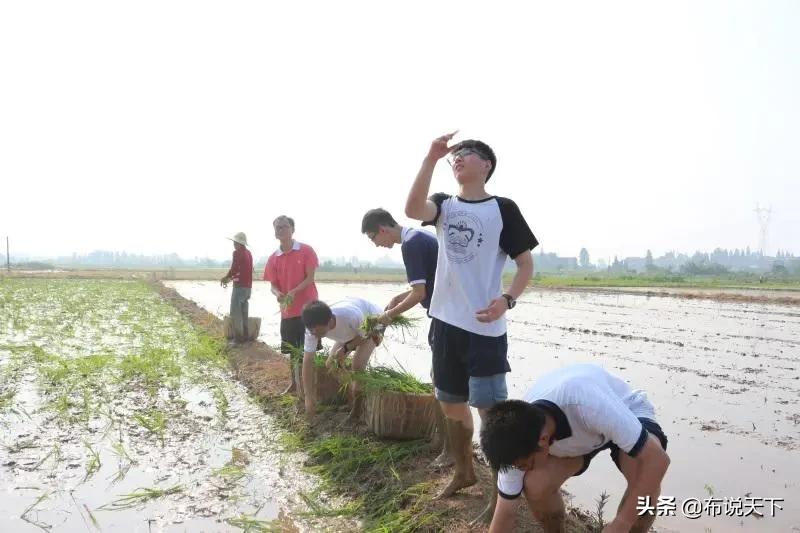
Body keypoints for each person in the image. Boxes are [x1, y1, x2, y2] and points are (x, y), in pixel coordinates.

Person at [404, 132, 538, 521]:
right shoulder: (444, 206)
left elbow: (525, 264)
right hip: (445, 323)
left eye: (468, 154)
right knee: (450, 402)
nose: (459, 158)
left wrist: (507, 299)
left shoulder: (503, 209)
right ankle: (464, 471)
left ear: (486, 166)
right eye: (456, 155)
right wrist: (430, 158)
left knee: (491, 412)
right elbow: (413, 209)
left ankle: (503, 490)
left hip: (484, 329)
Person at [480, 364, 670, 533]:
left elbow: (658, 461)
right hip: (583, 436)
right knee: (537, 484)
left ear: (543, 441)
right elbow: (505, 512)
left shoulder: (589, 404)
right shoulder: (514, 438)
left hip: (627, 412)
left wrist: (621, 523)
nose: (523, 469)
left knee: (646, 483)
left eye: (525, 465)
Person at [361, 207, 452, 468]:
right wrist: (398, 299)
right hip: (446, 312)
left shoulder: (410, 244)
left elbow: (420, 293)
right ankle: (442, 441)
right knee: (442, 382)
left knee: (442, 384)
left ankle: (446, 446)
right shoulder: (419, 237)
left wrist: (387, 315)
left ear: (382, 229)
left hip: (445, 316)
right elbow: (420, 287)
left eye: (373, 238)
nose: (377, 245)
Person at [263, 215, 320, 394]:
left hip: (308, 309)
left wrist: (294, 291)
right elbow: (272, 285)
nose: (280, 230)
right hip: (287, 311)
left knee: (309, 349)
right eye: (277, 227)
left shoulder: (306, 251)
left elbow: (310, 278)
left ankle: (311, 386)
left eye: (284, 227)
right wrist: (278, 293)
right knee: (292, 350)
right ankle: (295, 384)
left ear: (292, 230)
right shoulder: (273, 258)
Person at [301, 298, 382, 421]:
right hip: (350, 331)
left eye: (317, 331)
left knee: (358, 366)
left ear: (329, 322)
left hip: (373, 324)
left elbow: (366, 335)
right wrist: (308, 397)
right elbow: (307, 361)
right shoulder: (312, 329)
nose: (314, 335)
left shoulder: (351, 316)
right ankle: (352, 400)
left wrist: (345, 349)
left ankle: (357, 410)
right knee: (332, 364)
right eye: (311, 331)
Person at [220, 231, 254, 345]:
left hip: (239, 287)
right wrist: (230, 278)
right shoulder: (248, 253)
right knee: (244, 311)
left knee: (236, 312)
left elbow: (234, 269)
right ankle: (245, 336)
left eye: (235, 242)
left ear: (239, 243)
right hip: (248, 287)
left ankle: (238, 339)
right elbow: (243, 270)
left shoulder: (237, 253)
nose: (234, 244)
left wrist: (226, 277)